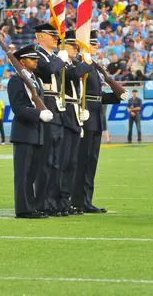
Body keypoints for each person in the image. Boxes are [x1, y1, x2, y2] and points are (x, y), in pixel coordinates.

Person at [72, 30, 127, 214]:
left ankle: (87, 200)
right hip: (85, 116)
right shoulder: (81, 64)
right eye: (93, 44)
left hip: (96, 117)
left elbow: (98, 96)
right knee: (82, 161)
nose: (97, 47)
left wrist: (117, 96)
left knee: (91, 162)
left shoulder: (95, 67)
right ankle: (77, 200)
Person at [8, 45, 53, 219]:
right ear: (22, 61)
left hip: (37, 131)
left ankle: (32, 206)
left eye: (36, 58)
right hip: (24, 131)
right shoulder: (16, 80)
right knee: (23, 173)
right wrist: (38, 113)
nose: (36, 61)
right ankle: (23, 209)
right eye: (32, 59)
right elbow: (18, 108)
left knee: (33, 173)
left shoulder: (36, 80)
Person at [32, 22, 70, 215]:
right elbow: (47, 70)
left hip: (58, 109)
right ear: (40, 37)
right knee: (46, 160)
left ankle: (53, 201)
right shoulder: (37, 55)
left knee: (57, 160)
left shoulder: (54, 57)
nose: (56, 38)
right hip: (47, 106)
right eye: (51, 35)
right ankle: (42, 202)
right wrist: (61, 59)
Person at [58, 30, 92, 215]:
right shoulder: (62, 62)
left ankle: (66, 199)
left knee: (71, 161)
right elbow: (71, 75)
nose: (76, 49)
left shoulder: (72, 63)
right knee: (63, 160)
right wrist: (86, 64)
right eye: (73, 45)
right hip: (65, 114)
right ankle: (59, 199)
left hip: (74, 111)